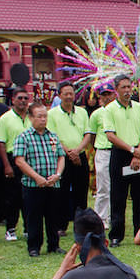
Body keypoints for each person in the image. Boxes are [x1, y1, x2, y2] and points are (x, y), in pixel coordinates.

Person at [12, 102, 66, 257]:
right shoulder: (24, 137)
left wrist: (57, 174)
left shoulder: (52, 136)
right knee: (33, 217)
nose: (43, 120)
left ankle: (53, 245)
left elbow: (61, 157)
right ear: (30, 118)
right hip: (33, 185)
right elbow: (20, 161)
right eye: (39, 116)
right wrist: (37, 177)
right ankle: (34, 246)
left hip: (52, 183)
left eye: (45, 116)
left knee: (53, 216)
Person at [104, 74, 140, 247]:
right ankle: (116, 234)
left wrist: (139, 152)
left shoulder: (139, 108)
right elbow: (110, 135)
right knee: (118, 196)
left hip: (138, 152)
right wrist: (132, 151)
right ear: (116, 90)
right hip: (121, 154)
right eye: (123, 87)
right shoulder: (109, 109)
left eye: (129, 87)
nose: (126, 91)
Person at [47, 82, 90, 232]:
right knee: (61, 193)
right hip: (62, 158)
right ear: (59, 95)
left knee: (81, 191)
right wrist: (69, 153)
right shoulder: (52, 114)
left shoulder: (82, 112)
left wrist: (77, 151)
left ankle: (82, 225)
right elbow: (52, 137)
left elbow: (87, 134)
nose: (69, 96)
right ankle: (61, 226)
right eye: (66, 93)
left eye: (71, 93)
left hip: (80, 156)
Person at [0, 87, 31, 242]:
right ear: (13, 100)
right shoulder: (5, 118)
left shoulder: (32, 117)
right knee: (12, 197)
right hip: (13, 159)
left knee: (29, 196)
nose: (22, 101)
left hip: (31, 159)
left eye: (25, 98)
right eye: (20, 98)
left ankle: (28, 228)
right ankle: (10, 228)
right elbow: (1, 143)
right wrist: (7, 166)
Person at [85, 84, 115, 227]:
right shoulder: (96, 114)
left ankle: (113, 215)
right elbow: (92, 135)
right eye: (103, 95)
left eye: (109, 94)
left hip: (117, 151)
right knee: (103, 187)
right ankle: (101, 218)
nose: (106, 97)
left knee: (117, 187)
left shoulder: (117, 110)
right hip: (103, 151)